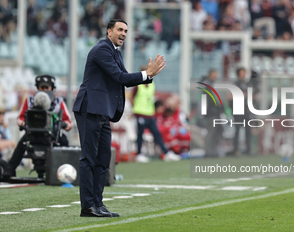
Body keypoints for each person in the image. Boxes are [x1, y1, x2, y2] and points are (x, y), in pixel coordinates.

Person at [72, 19, 166, 218]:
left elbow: (123, 77)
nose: (123, 33)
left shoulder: (115, 51)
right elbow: (120, 77)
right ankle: (88, 206)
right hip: (90, 108)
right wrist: (146, 74)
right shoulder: (101, 50)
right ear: (109, 32)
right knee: (89, 158)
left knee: (104, 159)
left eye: (126, 30)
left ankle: (98, 204)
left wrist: (147, 76)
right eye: (120, 30)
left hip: (102, 111)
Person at [2, 74, 73, 179]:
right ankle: (10, 170)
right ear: (37, 88)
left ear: (52, 88)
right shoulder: (29, 101)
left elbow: (68, 122)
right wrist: (22, 123)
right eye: (41, 87)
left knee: (64, 142)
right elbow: (20, 117)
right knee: (21, 144)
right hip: (32, 133)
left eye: (46, 88)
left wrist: (64, 124)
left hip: (52, 135)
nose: (44, 90)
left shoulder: (59, 102)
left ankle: (69, 170)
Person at [131, 66, 180, 163]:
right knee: (140, 135)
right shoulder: (138, 85)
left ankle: (165, 152)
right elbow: (132, 98)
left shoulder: (151, 84)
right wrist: (135, 109)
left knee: (157, 134)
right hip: (140, 113)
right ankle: (139, 154)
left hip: (150, 113)